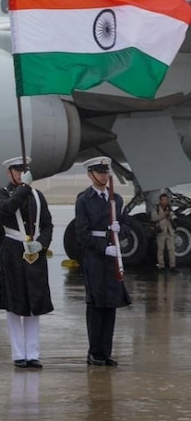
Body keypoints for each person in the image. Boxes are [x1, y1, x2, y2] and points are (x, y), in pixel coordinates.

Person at [0, 157, 53, 369]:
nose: (20, 174)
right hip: (13, 250)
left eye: (23, 170)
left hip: (33, 251)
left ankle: (33, 353)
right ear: (9, 173)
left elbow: (47, 224)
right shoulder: (1, 193)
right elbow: (7, 210)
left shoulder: (38, 196)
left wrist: (42, 243)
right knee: (14, 304)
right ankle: (19, 354)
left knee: (34, 303)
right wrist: (24, 187)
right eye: (17, 171)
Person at [75, 156, 131, 367]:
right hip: (95, 257)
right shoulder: (84, 200)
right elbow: (81, 233)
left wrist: (120, 230)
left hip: (112, 256)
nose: (105, 176)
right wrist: (102, 247)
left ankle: (105, 352)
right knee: (96, 305)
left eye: (106, 172)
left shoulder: (116, 199)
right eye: (100, 172)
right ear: (91, 175)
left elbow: (125, 225)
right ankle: (94, 352)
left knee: (111, 305)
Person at [150, 193, 177, 271]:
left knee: (171, 249)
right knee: (160, 249)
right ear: (160, 200)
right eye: (163, 200)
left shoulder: (169, 208)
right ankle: (161, 266)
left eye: (166, 200)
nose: (164, 201)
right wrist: (164, 214)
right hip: (161, 231)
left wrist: (173, 219)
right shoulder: (156, 208)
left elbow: (173, 216)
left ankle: (173, 266)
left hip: (169, 230)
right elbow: (154, 218)